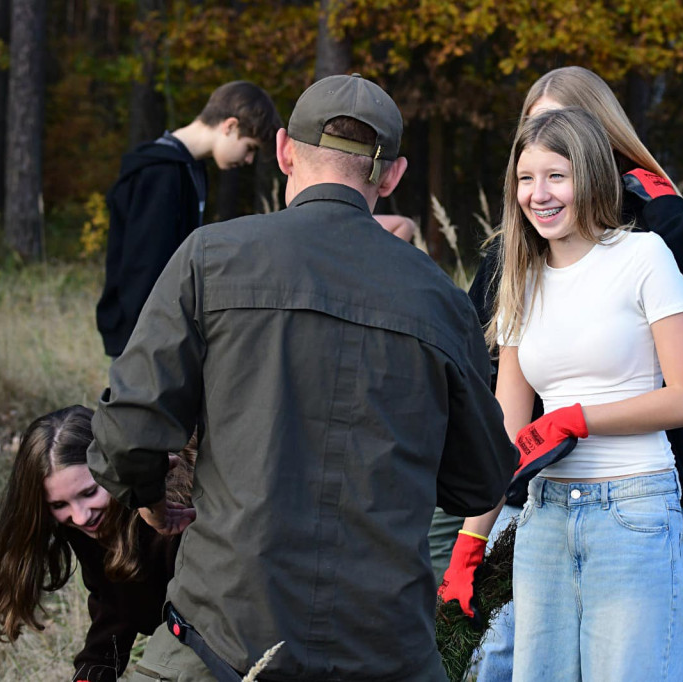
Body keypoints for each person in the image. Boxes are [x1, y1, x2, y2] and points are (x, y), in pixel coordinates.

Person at [86, 73, 516, 682]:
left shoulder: (209, 258)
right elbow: (482, 480)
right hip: (383, 647)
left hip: (221, 638)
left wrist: (152, 501)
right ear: (392, 175)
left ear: (285, 149)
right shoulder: (440, 301)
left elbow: (128, 432)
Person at [444, 107, 683, 680]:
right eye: (525, 178)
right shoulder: (519, 276)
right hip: (543, 518)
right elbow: (507, 434)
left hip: (635, 510)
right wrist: (470, 544)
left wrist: (575, 419)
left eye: (555, 176)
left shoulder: (642, 257)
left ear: (589, 176)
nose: (537, 194)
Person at [0, 405, 194, 682]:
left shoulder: (177, 515)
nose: (80, 516)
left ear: (115, 469)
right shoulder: (86, 529)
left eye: (89, 492)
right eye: (58, 504)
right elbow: (116, 612)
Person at [96, 80, 282, 357]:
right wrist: (143, 347)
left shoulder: (189, 169)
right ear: (230, 126)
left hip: (158, 334)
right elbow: (144, 268)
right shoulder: (161, 174)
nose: (248, 160)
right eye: (250, 147)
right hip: (139, 340)